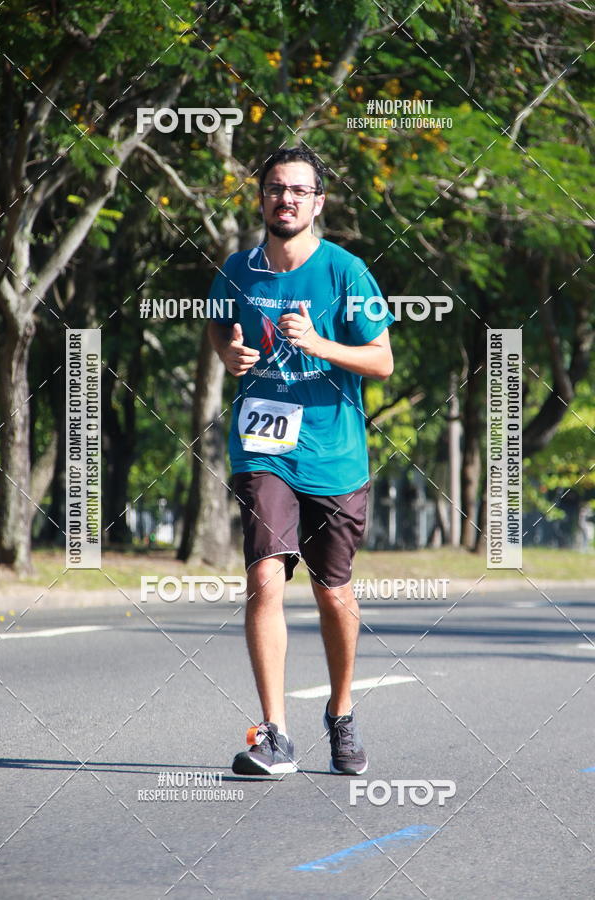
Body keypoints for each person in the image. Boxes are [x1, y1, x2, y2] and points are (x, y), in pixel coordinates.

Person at [208, 146, 394, 776]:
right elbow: (217, 327)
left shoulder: (346, 272)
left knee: (332, 593)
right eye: (273, 189)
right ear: (260, 197)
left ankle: (340, 713)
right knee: (264, 576)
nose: (284, 199)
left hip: (335, 455)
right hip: (264, 450)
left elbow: (382, 360)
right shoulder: (237, 270)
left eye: (297, 191)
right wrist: (229, 357)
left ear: (318, 202)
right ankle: (274, 735)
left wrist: (320, 344)